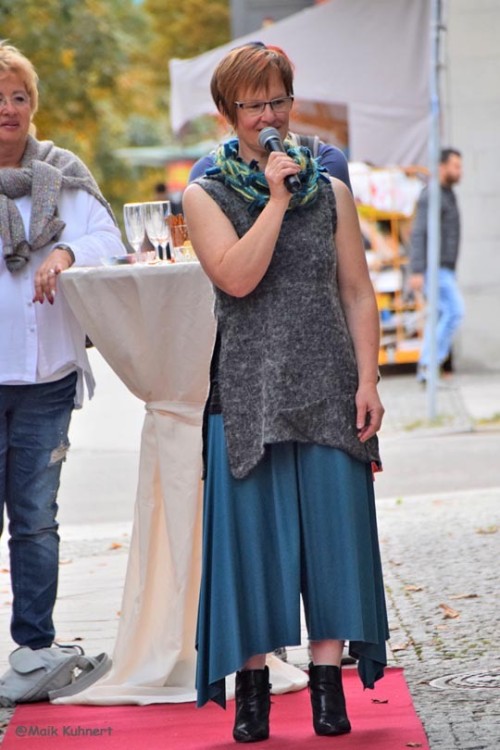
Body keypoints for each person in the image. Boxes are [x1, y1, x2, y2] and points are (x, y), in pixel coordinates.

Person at [183, 43, 388, 743]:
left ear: (292, 103)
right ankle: (253, 694)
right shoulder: (204, 192)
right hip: (249, 390)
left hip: (329, 382)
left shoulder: (330, 190)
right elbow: (236, 278)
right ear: (228, 112)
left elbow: (357, 291)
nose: (268, 116)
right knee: (251, 547)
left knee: (333, 537)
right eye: (254, 105)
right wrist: (275, 200)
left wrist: (368, 378)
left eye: (278, 101)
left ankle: (329, 685)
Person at [0, 42, 124, 703]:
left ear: (33, 106)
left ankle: (35, 650)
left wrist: (67, 252)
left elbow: (111, 240)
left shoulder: (63, 174)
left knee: (35, 518)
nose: (8, 108)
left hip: (46, 377)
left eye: (18, 96)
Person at [409, 148, 465, 382]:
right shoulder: (432, 195)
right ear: (442, 167)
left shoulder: (447, 193)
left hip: (444, 267)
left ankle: (428, 368)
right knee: (454, 311)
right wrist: (417, 269)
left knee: (442, 315)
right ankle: (428, 365)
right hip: (435, 268)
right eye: (456, 166)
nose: (460, 171)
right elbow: (419, 232)